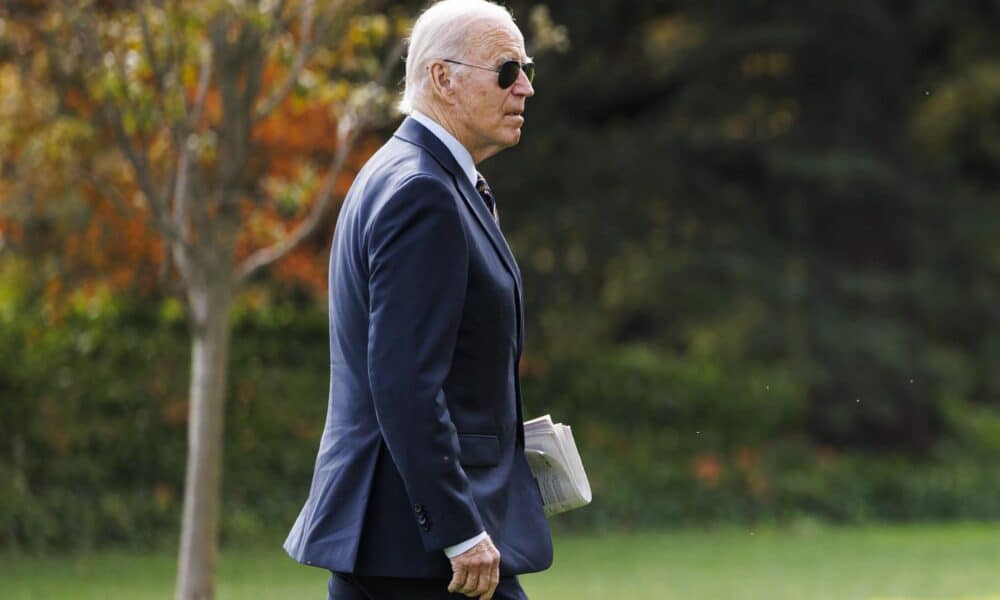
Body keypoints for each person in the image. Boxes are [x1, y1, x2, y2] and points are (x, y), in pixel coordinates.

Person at [283, 1, 551, 598]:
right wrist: (458, 530)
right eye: (507, 71)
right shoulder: (422, 192)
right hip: (420, 549)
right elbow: (403, 380)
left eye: (526, 69)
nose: (526, 88)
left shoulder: (402, 173)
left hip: (393, 541)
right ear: (443, 79)